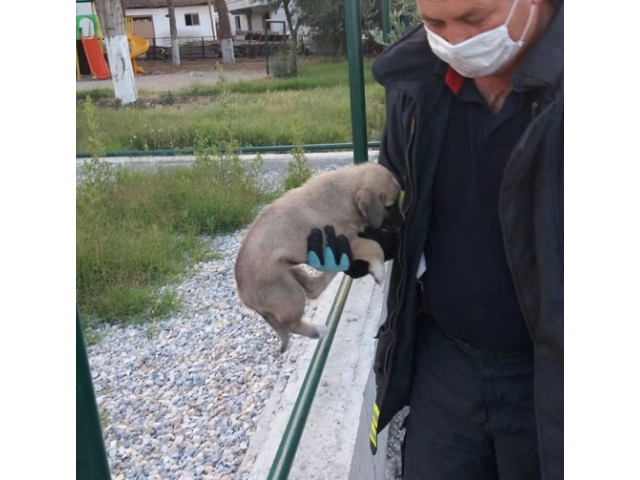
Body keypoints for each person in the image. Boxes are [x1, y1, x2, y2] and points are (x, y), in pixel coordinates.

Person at [306, 0, 563, 478]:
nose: (457, 43)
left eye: (474, 18)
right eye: (435, 23)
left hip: (556, 381)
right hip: (447, 370)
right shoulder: (418, 86)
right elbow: (403, 211)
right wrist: (366, 246)